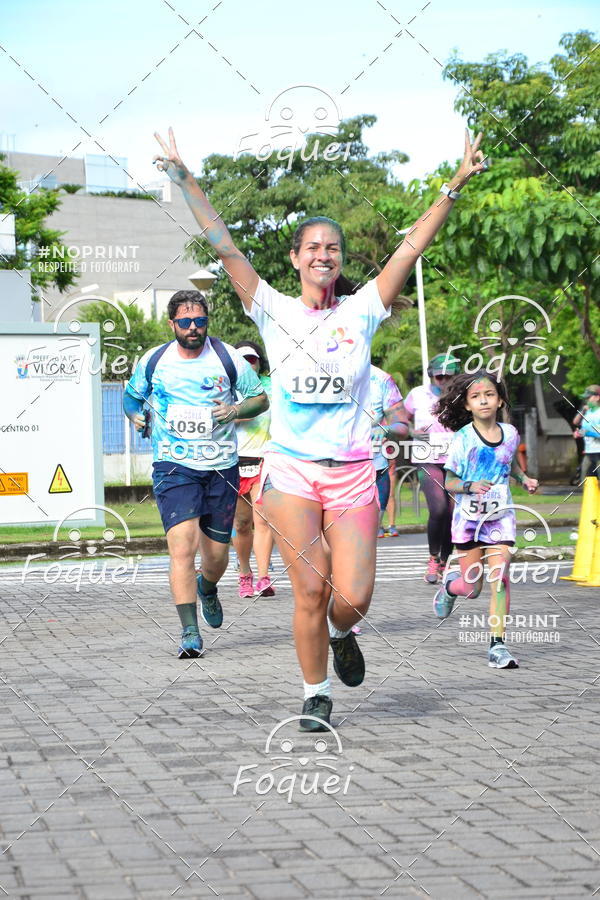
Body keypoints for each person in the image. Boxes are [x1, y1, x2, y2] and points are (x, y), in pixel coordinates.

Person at [153, 125, 488, 728]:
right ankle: (315, 693)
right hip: (291, 475)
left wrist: (455, 186)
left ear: (338, 261)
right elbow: (223, 244)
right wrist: (185, 181)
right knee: (309, 589)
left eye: (331, 248)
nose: (322, 254)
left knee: (351, 597)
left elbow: (409, 249)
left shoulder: (363, 310)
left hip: (354, 474)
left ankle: (342, 635)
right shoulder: (273, 308)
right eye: (311, 247)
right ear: (296, 258)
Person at [123, 290, 268, 658]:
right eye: (185, 322)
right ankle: (189, 631)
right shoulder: (154, 360)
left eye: (199, 321)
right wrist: (135, 415)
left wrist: (235, 410)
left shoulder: (227, 357)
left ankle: (208, 587)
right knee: (182, 547)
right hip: (174, 464)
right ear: (172, 323)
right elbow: (131, 397)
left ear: (207, 322)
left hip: (221, 466)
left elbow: (260, 398)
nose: (193, 328)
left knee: (217, 556)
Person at [431, 372, 538, 669]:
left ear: (500, 399)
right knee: (472, 588)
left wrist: (524, 478)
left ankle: (497, 646)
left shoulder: (511, 433)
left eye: (489, 395)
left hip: (500, 518)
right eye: (476, 397)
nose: (483, 400)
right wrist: (470, 485)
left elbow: (509, 462)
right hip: (468, 521)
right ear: (467, 405)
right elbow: (448, 482)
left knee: (500, 580)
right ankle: (452, 587)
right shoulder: (463, 439)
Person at [404, 353, 460, 583]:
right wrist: (411, 431)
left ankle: (445, 561)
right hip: (427, 456)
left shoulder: (462, 396)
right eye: (439, 376)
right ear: (431, 375)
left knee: (452, 513)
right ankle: (433, 557)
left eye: (448, 376)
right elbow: (401, 417)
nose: (443, 380)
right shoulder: (418, 394)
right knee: (438, 510)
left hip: (456, 459)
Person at [231, 340, 276, 598]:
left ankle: (263, 577)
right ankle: (245, 574)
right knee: (242, 523)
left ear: (259, 362)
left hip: (263, 459)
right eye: (242, 360)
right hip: (233, 461)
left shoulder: (271, 387)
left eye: (252, 359)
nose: (248, 364)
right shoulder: (225, 388)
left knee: (263, 520)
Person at [369, 365, 409, 538]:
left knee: (365, 537)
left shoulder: (381, 380)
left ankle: (388, 524)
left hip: (375, 466)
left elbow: (402, 427)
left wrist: (385, 429)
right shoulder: (315, 371)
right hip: (326, 468)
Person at [573, 385, 600, 482]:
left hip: (599, 452)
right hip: (589, 452)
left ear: (597, 397)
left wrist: (586, 433)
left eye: (589, 397)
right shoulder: (587, 413)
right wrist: (579, 432)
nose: (586, 400)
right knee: (585, 482)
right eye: (586, 398)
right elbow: (576, 422)